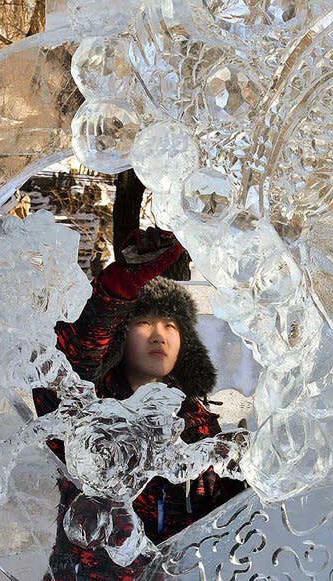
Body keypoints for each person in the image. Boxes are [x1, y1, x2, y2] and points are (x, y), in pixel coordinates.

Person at [33, 227, 245, 580]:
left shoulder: (197, 423)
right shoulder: (86, 406)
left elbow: (227, 520)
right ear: (122, 335)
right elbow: (70, 356)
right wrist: (118, 288)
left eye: (171, 326)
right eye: (144, 323)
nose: (159, 335)